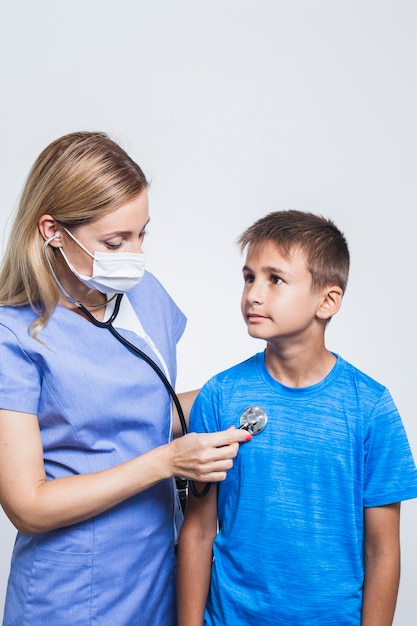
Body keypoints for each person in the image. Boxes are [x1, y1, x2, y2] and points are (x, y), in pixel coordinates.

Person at [0, 131, 249, 626]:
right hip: (71, 590)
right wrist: (165, 462)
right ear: (51, 229)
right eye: (115, 242)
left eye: (142, 234)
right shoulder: (14, 336)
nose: (134, 256)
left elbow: (147, 414)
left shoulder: (144, 293)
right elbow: (27, 505)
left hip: (158, 574)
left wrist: (247, 390)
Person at [177, 210, 417, 626]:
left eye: (275, 279)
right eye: (249, 277)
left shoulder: (371, 408)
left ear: (328, 300)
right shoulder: (219, 396)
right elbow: (198, 532)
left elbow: (383, 550)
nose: (253, 293)